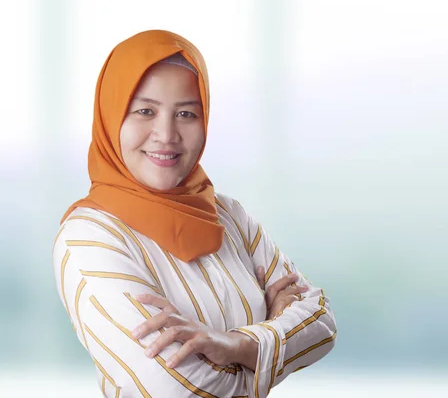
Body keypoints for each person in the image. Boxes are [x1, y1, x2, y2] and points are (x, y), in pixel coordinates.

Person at [52, 29, 337, 398]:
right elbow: (172, 388)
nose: (166, 134)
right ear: (110, 116)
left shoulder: (229, 215)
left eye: (186, 113)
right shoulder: (89, 238)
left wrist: (235, 345)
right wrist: (272, 344)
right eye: (145, 111)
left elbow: (322, 321)